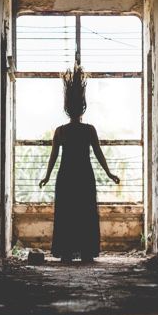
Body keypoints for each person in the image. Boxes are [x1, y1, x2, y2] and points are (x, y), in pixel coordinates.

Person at [38, 65, 120, 263]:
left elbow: (53, 157)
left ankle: (66, 252)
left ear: (67, 108)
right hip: (84, 176)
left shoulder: (60, 131)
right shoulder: (89, 130)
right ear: (83, 107)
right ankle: (85, 251)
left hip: (66, 177)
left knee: (67, 214)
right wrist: (109, 173)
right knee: (85, 214)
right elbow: (99, 154)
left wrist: (48, 176)